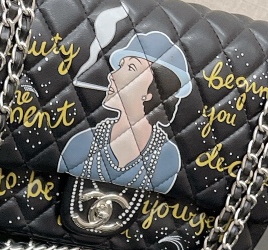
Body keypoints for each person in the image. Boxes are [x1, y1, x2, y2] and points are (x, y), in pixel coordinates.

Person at [58, 31, 192, 193]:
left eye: (130, 67)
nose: (112, 75)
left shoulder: (168, 159)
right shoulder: (80, 144)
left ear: (155, 91)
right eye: (120, 66)